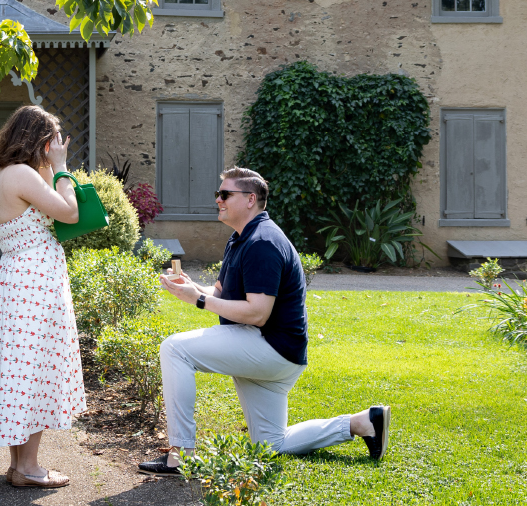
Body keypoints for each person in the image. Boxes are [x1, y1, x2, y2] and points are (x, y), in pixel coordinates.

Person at [138, 167, 389, 474]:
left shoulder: (263, 242)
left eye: (225, 194)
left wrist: (198, 300)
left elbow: (258, 313)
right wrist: (191, 289)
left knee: (174, 349)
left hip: (270, 347)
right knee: (271, 444)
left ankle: (181, 456)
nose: (218, 200)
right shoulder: (240, 238)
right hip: (276, 353)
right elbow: (221, 294)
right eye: (218, 194)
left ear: (250, 199)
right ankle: (362, 423)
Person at [0, 105, 85, 489]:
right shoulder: (23, 174)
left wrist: (47, 166)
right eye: (51, 140)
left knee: (17, 372)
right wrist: (61, 165)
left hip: (16, 278)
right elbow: (70, 213)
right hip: (35, 282)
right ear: (39, 140)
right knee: (36, 371)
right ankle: (28, 467)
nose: (54, 147)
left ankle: (18, 466)